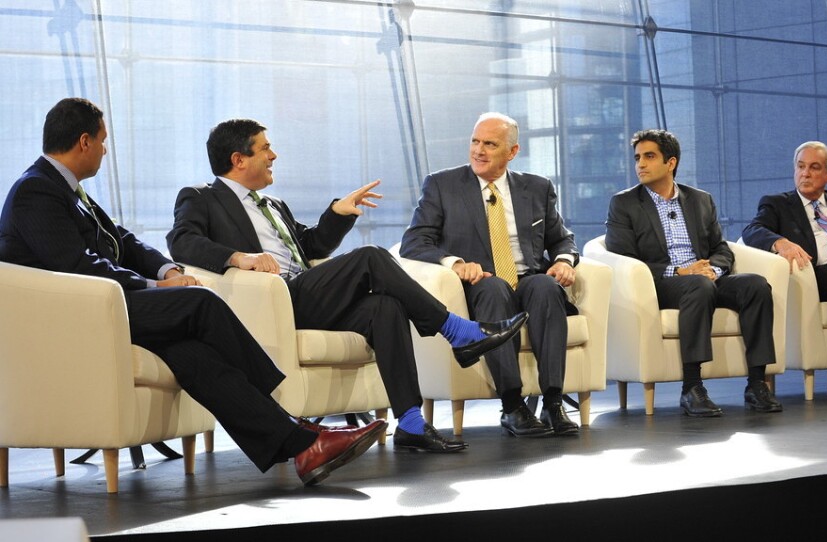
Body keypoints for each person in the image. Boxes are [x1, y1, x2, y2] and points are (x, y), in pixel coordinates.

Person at [0, 97, 388, 487]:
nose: (104, 149)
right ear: (83, 141)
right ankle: (285, 402)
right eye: (102, 140)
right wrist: (156, 285)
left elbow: (126, 243)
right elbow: (76, 266)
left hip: (107, 307)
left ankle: (304, 448)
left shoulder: (69, 191)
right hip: (78, 316)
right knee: (200, 302)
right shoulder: (37, 191)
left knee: (193, 356)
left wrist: (169, 268)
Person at [166, 118, 527, 453]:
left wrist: (337, 214)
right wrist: (238, 257)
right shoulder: (201, 197)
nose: (273, 155)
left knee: (386, 307)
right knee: (370, 256)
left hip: (302, 292)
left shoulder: (273, 204)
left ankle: (411, 424)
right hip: (270, 300)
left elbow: (311, 248)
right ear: (238, 159)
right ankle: (456, 331)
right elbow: (182, 241)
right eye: (264, 148)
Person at [399, 112, 580, 438]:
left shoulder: (537, 188)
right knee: (495, 288)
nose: (478, 151)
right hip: (479, 282)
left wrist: (564, 261)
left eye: (490, 144)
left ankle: (554, 401)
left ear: (511, 152)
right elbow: (414, 242)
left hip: (526, 278)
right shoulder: (443, 185)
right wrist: (454, 262)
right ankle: (512, 405)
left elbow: (561, 238)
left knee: (545, 286)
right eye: (475, 142)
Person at [604, 128, 783, 416]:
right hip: (659, 284)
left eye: (649, 156)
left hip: (704, 279)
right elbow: (622, 260)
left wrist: (712, 269)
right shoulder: (624, 203)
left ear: (670, 162)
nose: (641, 164)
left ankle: (756, 383)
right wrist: (679, 271)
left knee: (756, 285)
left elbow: (721, 249)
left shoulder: (700, 200)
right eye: (638, 157)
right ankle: (692, 387)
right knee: (698, 286)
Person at [742, 141, 827, 398]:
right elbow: (751, 231)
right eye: (800, 166)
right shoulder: (777, 204)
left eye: (814, 167)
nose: (805, 173)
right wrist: (780, 242)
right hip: (818, 275)